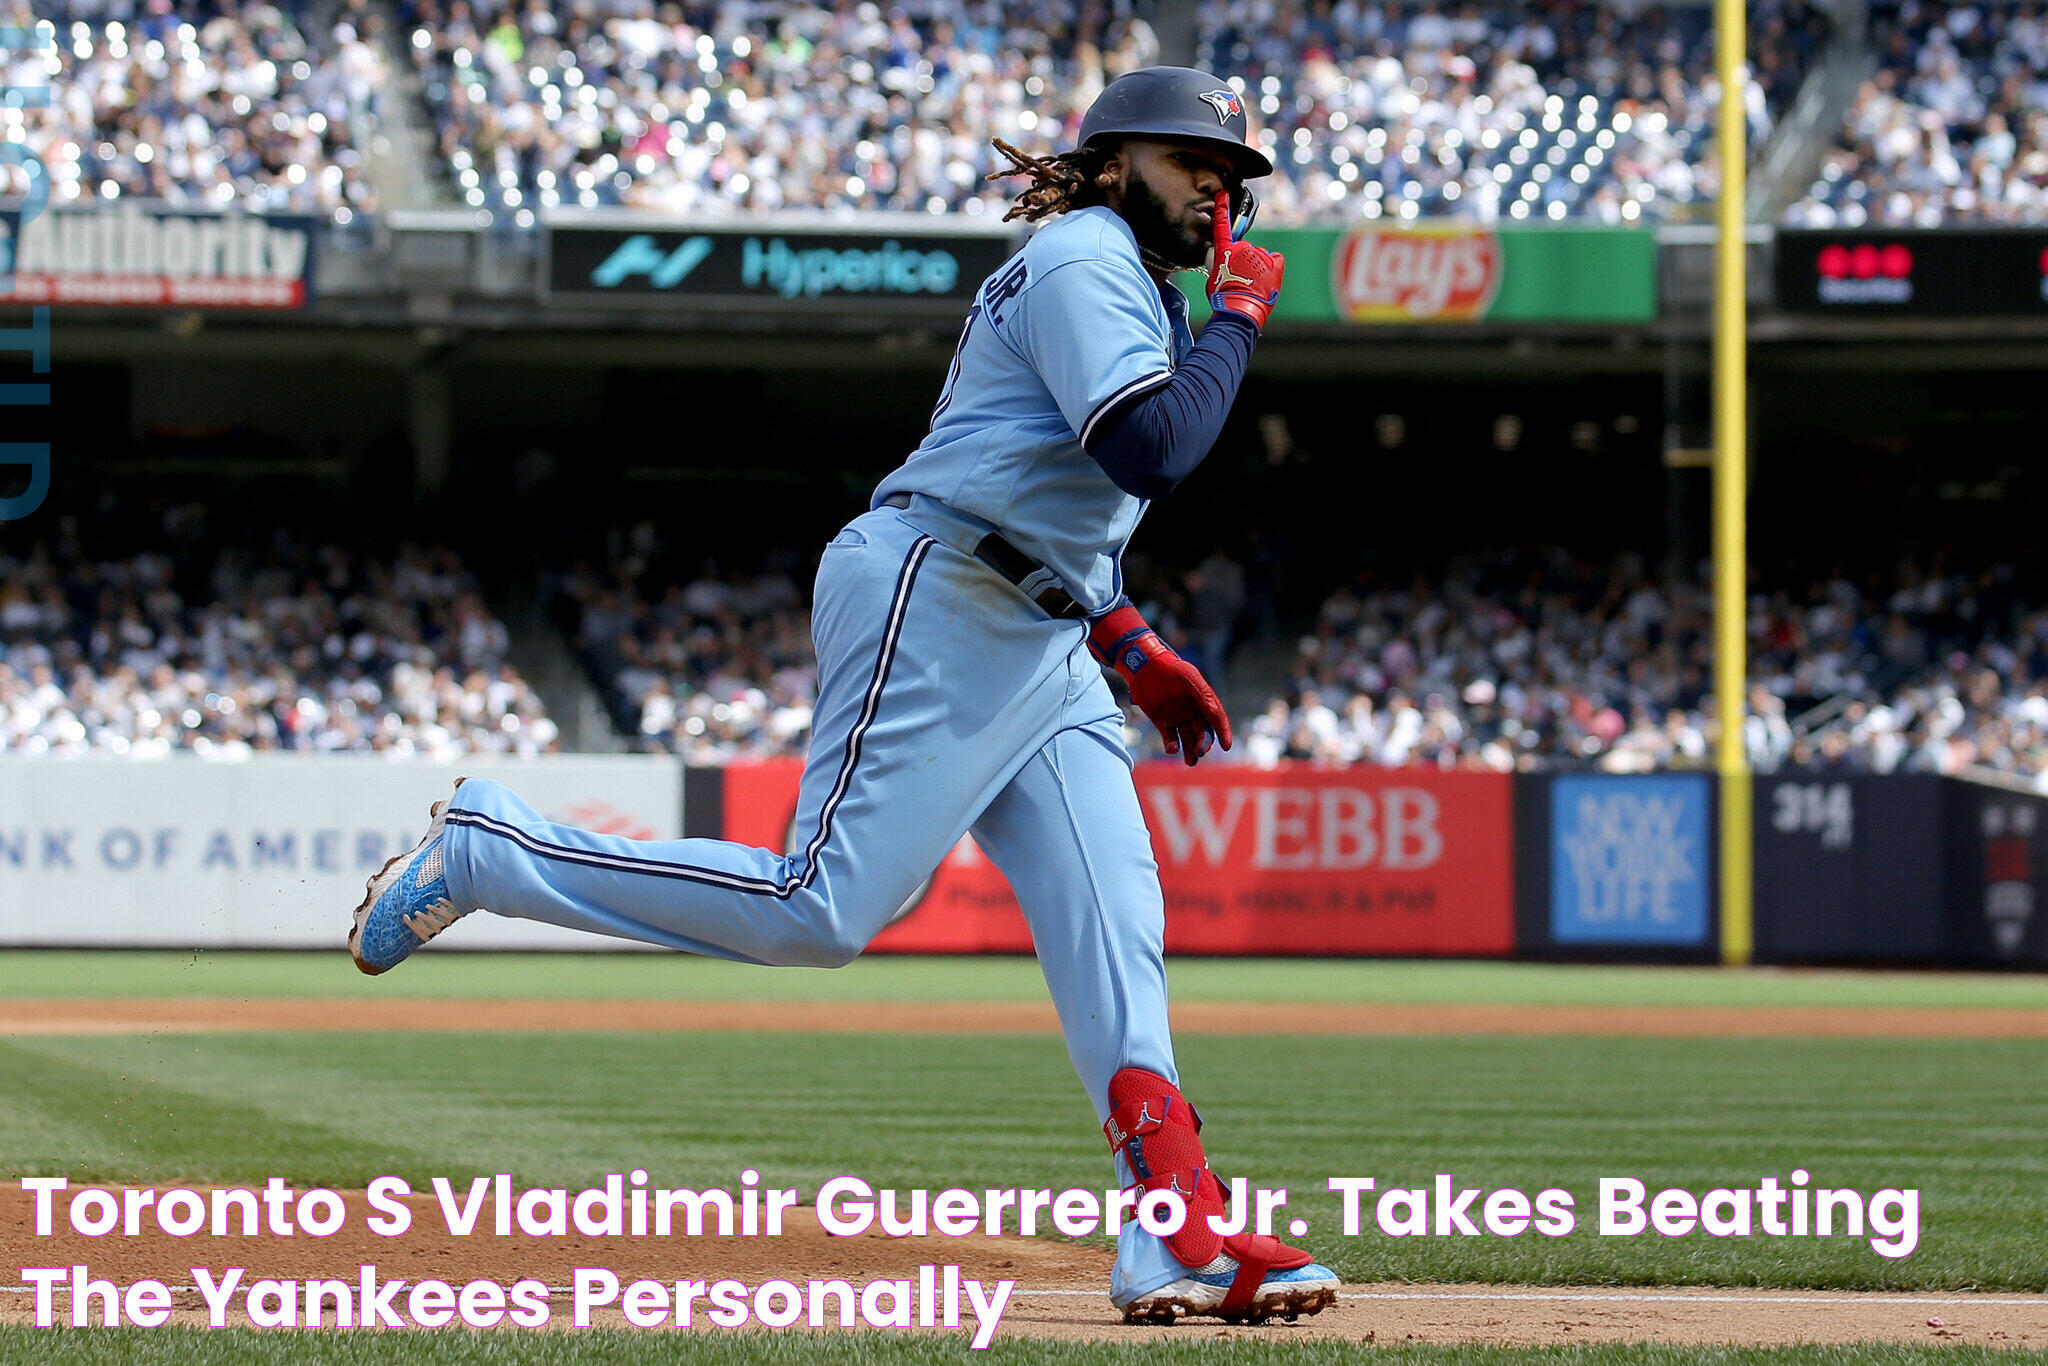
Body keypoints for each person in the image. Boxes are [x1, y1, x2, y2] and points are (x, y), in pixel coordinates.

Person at [348, 66, 1335, 1325]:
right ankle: (496, 851)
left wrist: (1124, 636)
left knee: (1113, 926)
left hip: (1039, 629)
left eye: (1232, 173)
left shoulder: (1128, 276)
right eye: (1191, 159)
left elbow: (1046, 488)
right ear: (1109, 160)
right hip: (939, 594)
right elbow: (1143, 446)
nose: (1217, 185)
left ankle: (1168, 1229)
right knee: (819, 909)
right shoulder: (1090, 253)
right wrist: (1237, 321)